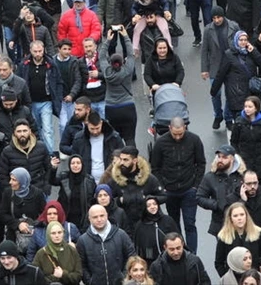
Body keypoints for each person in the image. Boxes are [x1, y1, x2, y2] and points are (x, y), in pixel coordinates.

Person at [148, 117, 205, 252]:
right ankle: (180, 251)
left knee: (190, 224)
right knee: (174, 226)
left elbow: (201, 163)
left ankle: (192, 254)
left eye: (181, 133)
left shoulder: (194, 140)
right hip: (170, 191)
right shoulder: (161, 143)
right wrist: (163, 187)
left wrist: (195, 186)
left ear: (185, 128)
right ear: (169, 129)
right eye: (175, 134)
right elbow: (155, 167)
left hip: (188, 190)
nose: (178, 137)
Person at [76, 205, 135, 285]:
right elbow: (81, 265)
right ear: (89, 219)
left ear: (107, 215)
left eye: (102, 215)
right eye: (95, 217)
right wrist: (90, 281)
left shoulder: (121, 235)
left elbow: (132, 256)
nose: (99, 219)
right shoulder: (83, 240)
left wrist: (124, 278)